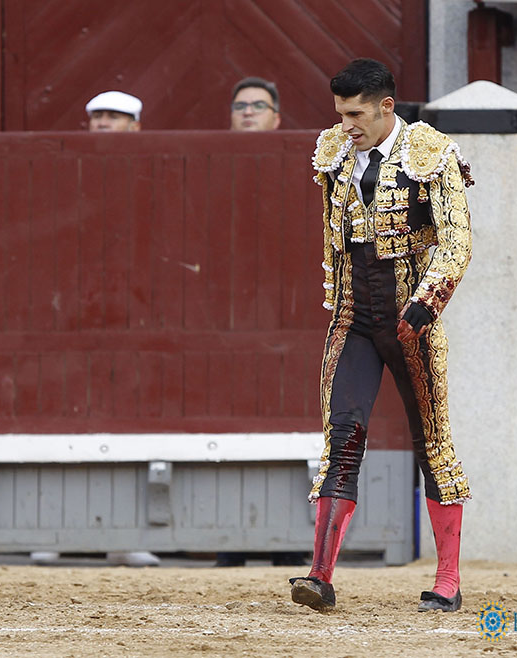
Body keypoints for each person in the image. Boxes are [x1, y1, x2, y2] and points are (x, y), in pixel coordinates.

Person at [288, 58, 474, 613]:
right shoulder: (334, 151)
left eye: (355, 114)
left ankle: (447, 581)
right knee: (342, 437)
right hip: (352, 320)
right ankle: (319, 577)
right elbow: (334, 239)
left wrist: (428, 300)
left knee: (433, 446)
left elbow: (456, 240)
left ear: (385, 106)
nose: (345, 125)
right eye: (340, 113)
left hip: (410, 320)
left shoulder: (430, 152)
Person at [32, 89, 158, 569]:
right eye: (98, 116)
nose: (104, 124)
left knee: (131, 417)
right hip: (72, 310)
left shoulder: (152, 172)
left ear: (135, 126)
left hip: (134, 309)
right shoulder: (67, 171)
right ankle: (57, 530)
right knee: (64, 412)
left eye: (115, 117)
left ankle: (125, 534)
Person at [214, 77, 306, 570]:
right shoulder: (211, 165)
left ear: (277, 116)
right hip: (224, 309)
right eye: (240, 105)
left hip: (287, 305)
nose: (248, 112)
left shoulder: (303, 162)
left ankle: (287, 537)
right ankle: (235, 534)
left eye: (258, 105)